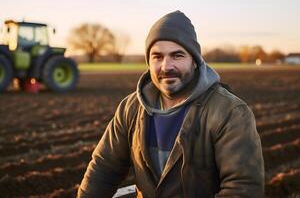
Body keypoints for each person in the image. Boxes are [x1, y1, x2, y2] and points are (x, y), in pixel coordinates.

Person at [77, 10, 264, 198]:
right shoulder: (130, 108)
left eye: (177, 56)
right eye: (157, 56)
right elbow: (104, 167)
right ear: (148, 62)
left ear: (195, 61)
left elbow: (242, 188)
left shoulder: (229, 112)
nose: (166, 66)